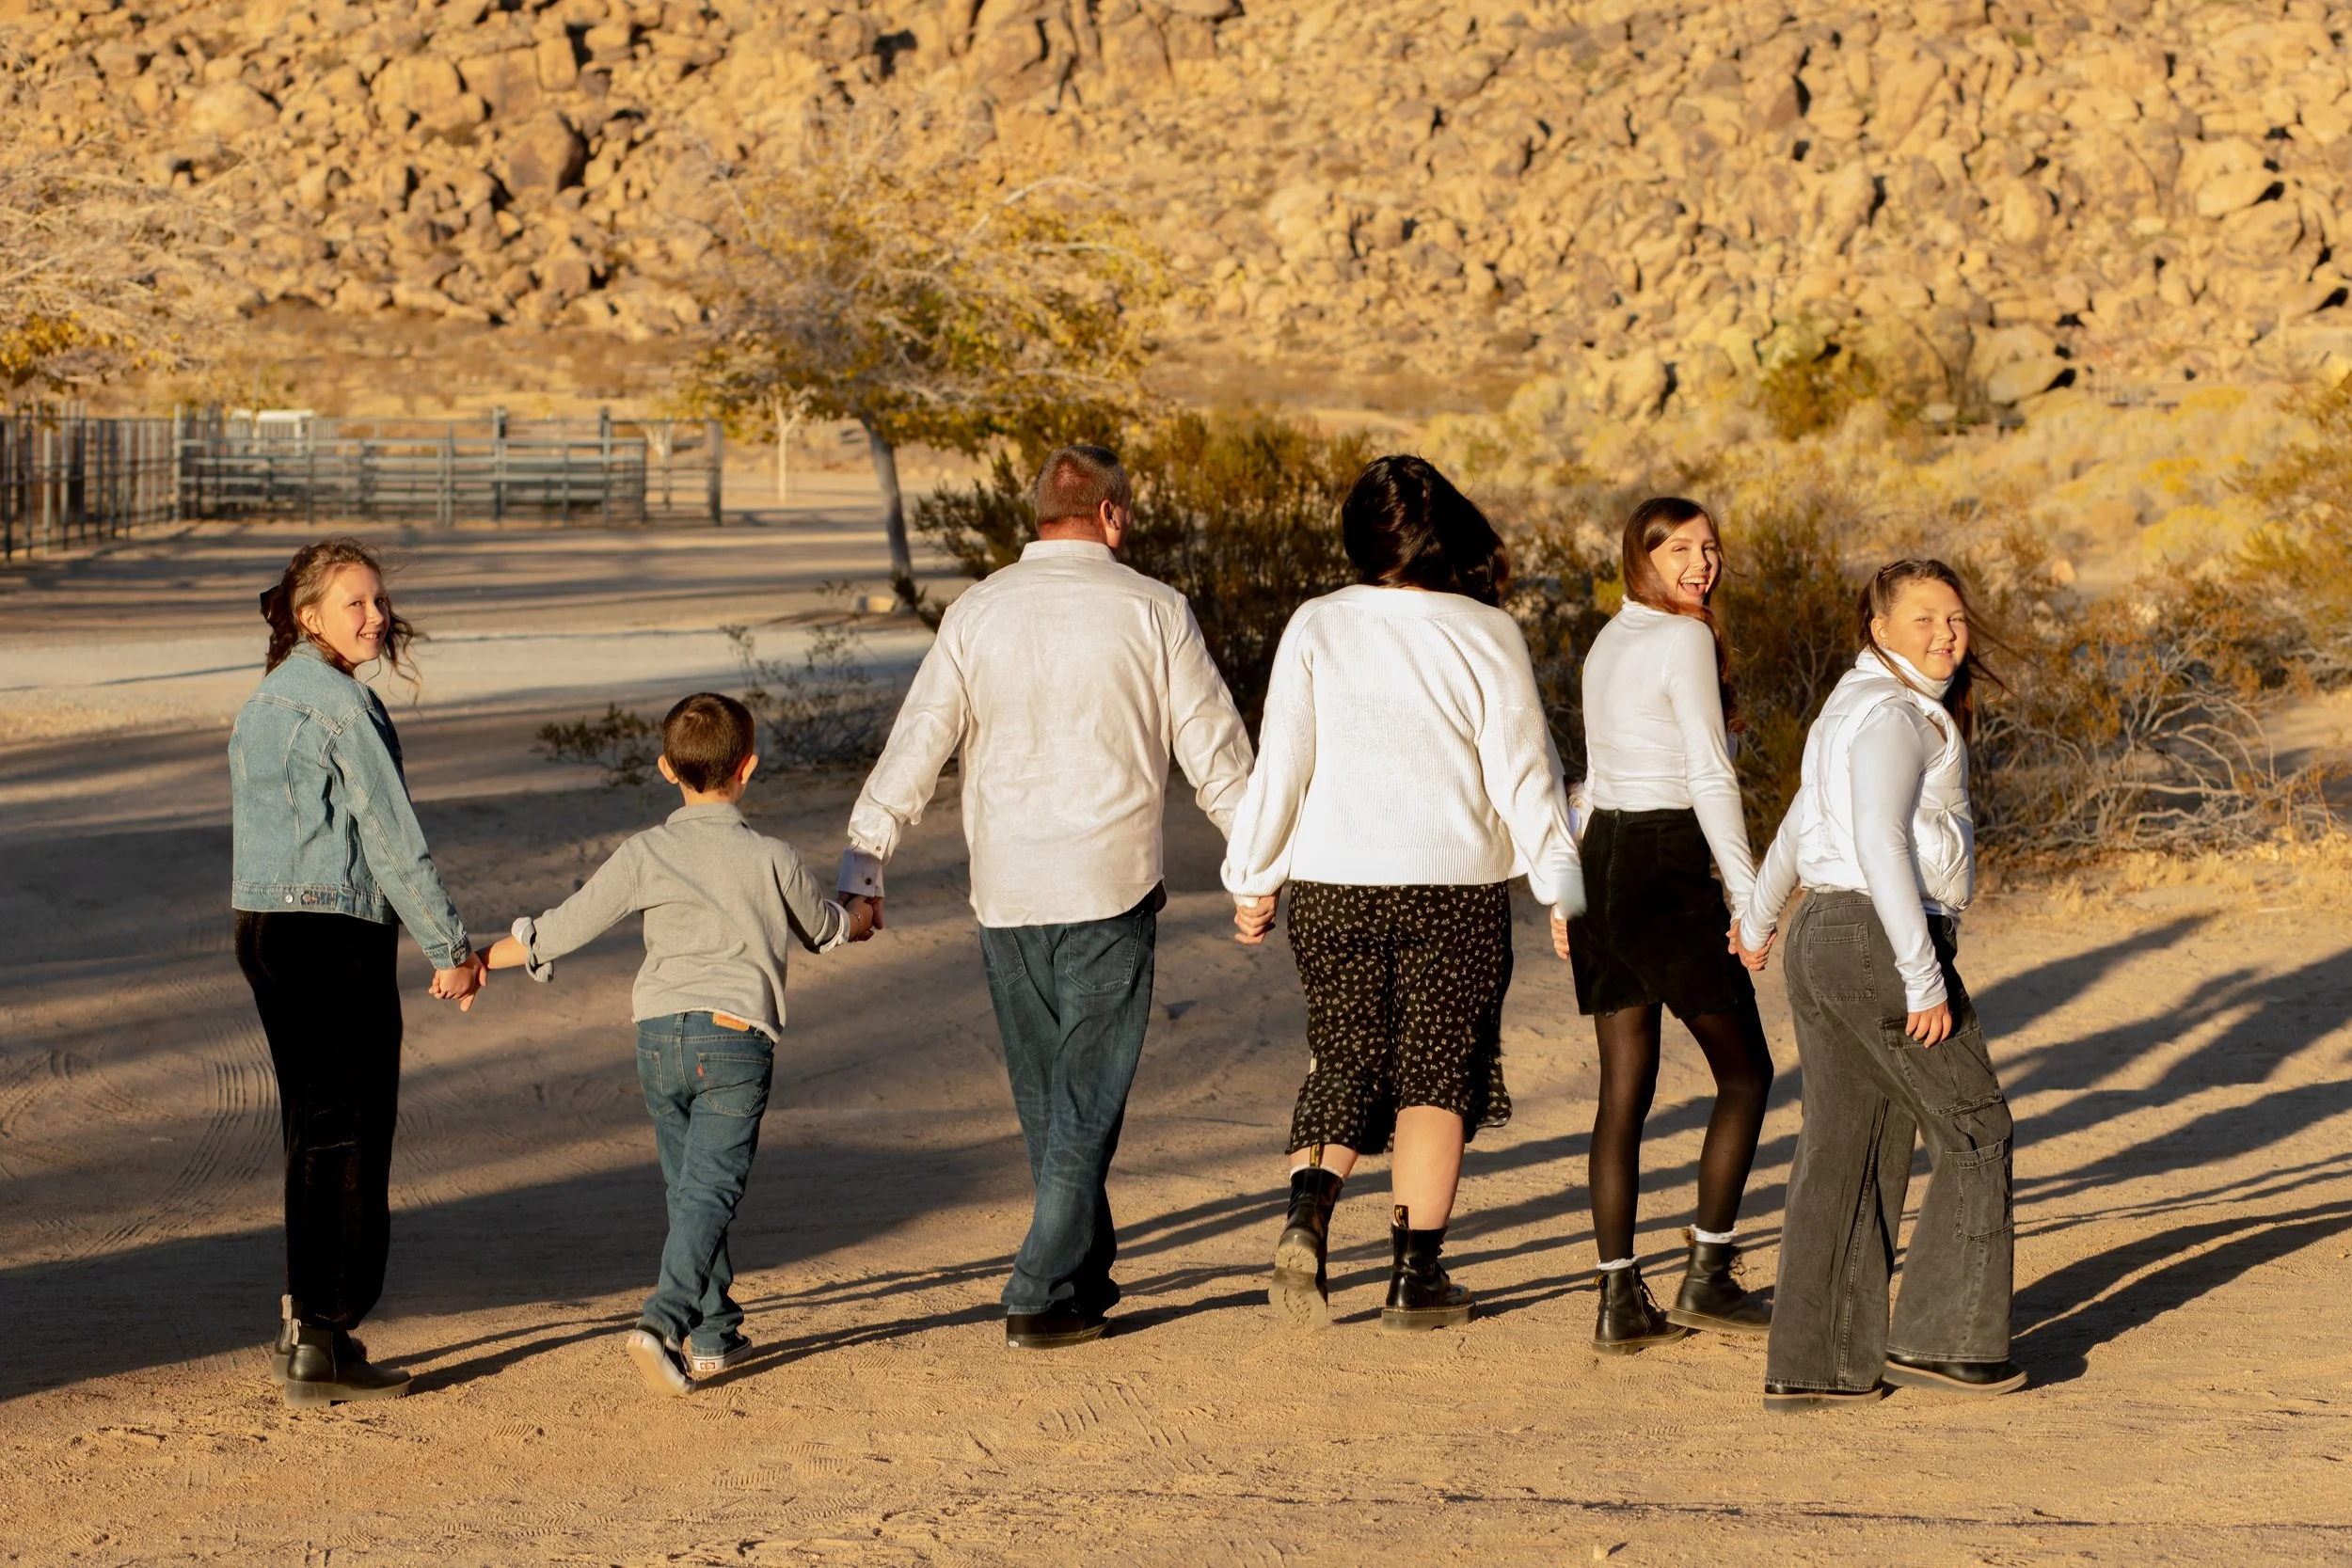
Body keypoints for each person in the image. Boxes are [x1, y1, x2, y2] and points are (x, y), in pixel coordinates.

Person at [836, 444, 1254, 1350]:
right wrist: (1254, 864)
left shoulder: (978, 610)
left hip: (1008, 886)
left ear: (1036, 515)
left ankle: (1081, 1271)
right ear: (1113, 514)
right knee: (1087, 1098)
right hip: (1108, 881)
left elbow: (921, 739)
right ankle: (1036, 1289)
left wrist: (864, 862)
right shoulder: (1153, 608)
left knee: (1048, 1098)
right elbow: (1212, 750)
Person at [1225, 454, 1580, 1334]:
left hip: (1334, 882)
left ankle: (1309, 1213)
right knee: (1436, 1074)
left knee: (1345, 1053)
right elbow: (1525, 774)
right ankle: (1415, 1277)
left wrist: (1253, 876)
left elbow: (1284, 766)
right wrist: (1559, 883)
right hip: (1451, 887)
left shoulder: (1316, 623)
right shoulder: (1485, 631)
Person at [485, 691, 873, 1395]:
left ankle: (715, 1333)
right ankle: (660, 1321)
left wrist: (481, 960)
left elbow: (563, 925)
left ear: (667, 769)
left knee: (689, 1189)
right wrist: (862, 915)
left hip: (659, 1038)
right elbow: (825, 929)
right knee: (711, 1190)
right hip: (733, 1040)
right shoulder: (772, 855)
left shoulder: (645, 852)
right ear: (747, 768)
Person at [1735, 559, 2024, 1411]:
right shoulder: (1898, 713)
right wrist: (1922, 975)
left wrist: (1757, 920)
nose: (1946, 633)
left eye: (1957, 618)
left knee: (1845, 1149)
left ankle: (1816, 1363)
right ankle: (1947, 1342)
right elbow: (1878, 841)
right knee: (1977, 1127)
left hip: (1824, 935)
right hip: (1876, 939)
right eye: (1926, 617)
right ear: (1880, 629)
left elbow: (1797, 822)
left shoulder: (1848, 705)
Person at [230, 537, 486, 1410]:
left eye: (379, 601)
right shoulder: (342, 706)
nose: (377, 617)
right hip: (331, 933)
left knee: (313, 1126)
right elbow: (391, 837)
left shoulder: (265, 700)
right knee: (348, 1133)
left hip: (263, 926)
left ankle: (305, 1324)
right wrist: (449, 946)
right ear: (309, 616)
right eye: (356, 603)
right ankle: (324, 1339)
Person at [1557, 498, 1775, 1354]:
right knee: (1746, 1073)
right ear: (1638, 555)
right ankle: (1709, 1276)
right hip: (1662, 857)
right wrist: (1750, 897)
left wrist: (1567, 892)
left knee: (1624, 1093)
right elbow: (1710, 775)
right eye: (1679, 547)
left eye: (1711, 547)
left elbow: (1593, 782)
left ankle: (1619, 1300)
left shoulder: (1610, 639)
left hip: (1606, 857)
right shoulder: (1681, 638)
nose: (1701, 562)